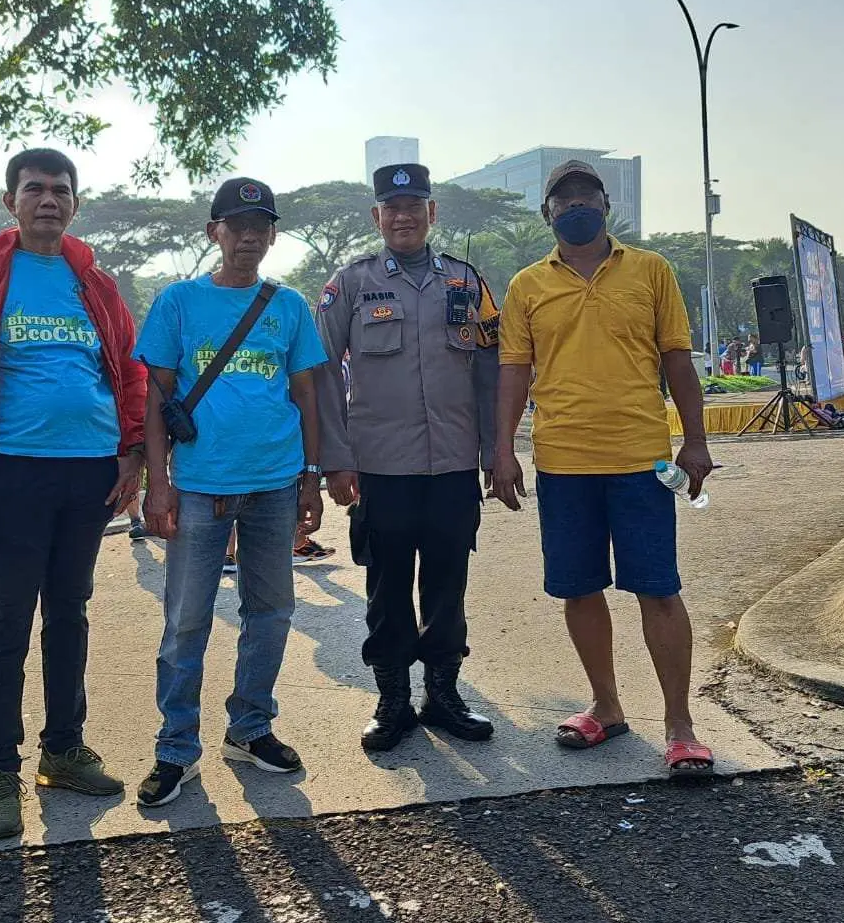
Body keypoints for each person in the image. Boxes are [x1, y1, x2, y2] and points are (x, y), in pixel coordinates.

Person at [0, 147, 147, 841]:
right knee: (7, 619)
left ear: (75, 203)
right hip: (14, 475)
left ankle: (63, 750)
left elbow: (128, 375)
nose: (48, 199)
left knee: (71, 613)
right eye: (35, 189)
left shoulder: (96, 286)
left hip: (88, 475)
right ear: (10, 201)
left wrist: (132, 453)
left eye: (61, 190)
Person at [490, 161, 716, 777]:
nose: (575, 210)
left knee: (659, 590)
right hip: (562, 461)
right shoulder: (527, 286)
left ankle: (680, 725)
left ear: (606, 207)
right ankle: (606, 706)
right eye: (563, 204)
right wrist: (502, 448)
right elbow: (514, 371)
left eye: (586, 200)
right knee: (578, 589)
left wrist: (694, 440)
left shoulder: (650, 271)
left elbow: (677, 360)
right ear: (548, 215)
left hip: (640, 459)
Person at [135, 177, 327, 807]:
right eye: (236, 225)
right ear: (213, 231)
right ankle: (176, 748)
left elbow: (306, 397)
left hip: (275, 483)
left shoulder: (290, 307)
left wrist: (311, 479)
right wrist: (156, 483)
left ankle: (250, 729)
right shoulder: (178, 303)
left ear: (271, 235)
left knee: (270, 613)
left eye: (261, 226)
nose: (249, 236)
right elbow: (157, 397)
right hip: (197, 488)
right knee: (186, 621)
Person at [314, 164, 501, 753]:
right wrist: (334, 460)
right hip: (378, 467)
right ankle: (392, 700)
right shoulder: (351, 284)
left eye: (414, 205)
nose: (402, 216)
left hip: (451, 465)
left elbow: (493, 370)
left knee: (449, 583)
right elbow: (321, 373)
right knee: (387, 586)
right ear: (376, 217)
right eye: (391, 208)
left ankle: (442, 695)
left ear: (431, 213)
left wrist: (495, 452)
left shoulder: (467, 283)